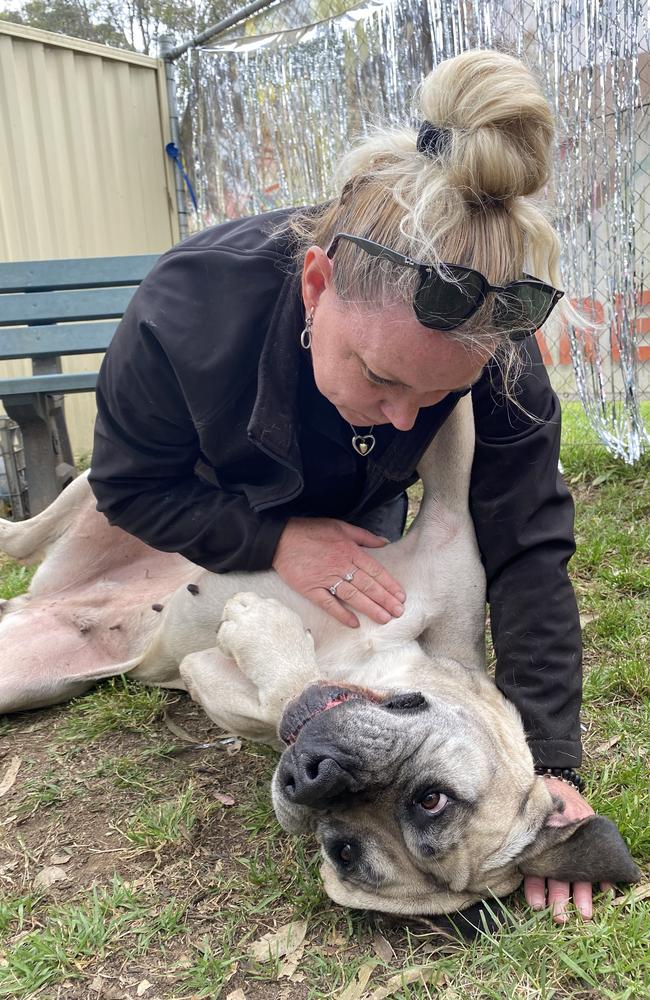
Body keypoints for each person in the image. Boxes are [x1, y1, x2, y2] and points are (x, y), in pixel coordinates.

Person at [89, 50, 599, 922]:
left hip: (356, 519)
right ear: (317, 284)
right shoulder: (188, 307)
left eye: (438, 397)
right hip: (219, 497)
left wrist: (549, 764)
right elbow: (132, 489)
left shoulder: (497, 345)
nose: (405, 420)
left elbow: (528, 539)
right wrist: (273, 540)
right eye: (379, 376)